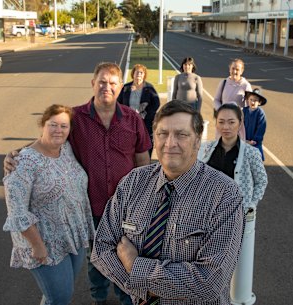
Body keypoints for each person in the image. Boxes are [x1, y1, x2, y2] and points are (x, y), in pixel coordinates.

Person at [4, 62, 152, 305]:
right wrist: (17, 154)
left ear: (120, 87)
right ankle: (99, 299)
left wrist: (145, 200)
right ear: (93, 84)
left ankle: (128, 300)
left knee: (128, 257)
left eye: (113, 83)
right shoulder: (76, 117)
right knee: (97, 259)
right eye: (102, 82)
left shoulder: (133, 120)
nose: (107, 87)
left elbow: (143, 161)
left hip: (126, 208)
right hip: (91, 207)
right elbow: (50, 138)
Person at [91, 100, 245, 304]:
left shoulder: (225, 194)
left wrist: (135, 266)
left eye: (182, 134)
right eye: (163, 134)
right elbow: (101, 248)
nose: (170, 143)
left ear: (198, 141)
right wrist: (145, 291)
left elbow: (209, 282)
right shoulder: (132, 182)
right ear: (154, 137)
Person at [3, 104, 96, 305]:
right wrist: (38, 246)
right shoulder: (23, 162)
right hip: (45, 241)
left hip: (72, 235)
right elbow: (17, 211)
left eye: (64, 126)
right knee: (60, 297)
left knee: (62, 292)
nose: (59, 130)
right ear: (42, 125)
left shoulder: (66, 148)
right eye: (53, 125)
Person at [197, 102, 268, 304]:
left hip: (235, 218)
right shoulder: (206, 149)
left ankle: (229, 298)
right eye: (221, 122)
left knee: (232, 262)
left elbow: (262, 181)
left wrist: (252, 204)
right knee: (207, 261)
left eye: (231, 122)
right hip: (207, 215)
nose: (226, 127)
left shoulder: (252, 154)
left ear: (240, 123)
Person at [118, 64, 160, 157]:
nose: (139, 74)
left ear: (144, 74)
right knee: (129, 143)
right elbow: (118, 103)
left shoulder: (149, 88)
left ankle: (146, 162)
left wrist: (146, 115)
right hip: (128, 121)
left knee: (146, 142)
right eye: (137, 72)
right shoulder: (126, 88)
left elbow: (156, 103)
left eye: (141, 72)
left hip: (145, 121)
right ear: (133, 73)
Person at [242, 88, 267, 161]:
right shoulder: (244, 111)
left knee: (255, 160)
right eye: (251, 99)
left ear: (259, 102)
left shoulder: (260, 113)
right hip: (244, 140)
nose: (252, 102)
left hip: (254, 143)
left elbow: (261, 128)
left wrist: (255, 140)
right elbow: (240, 124)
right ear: (248, 100)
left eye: (255, 100)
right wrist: (242, 137)